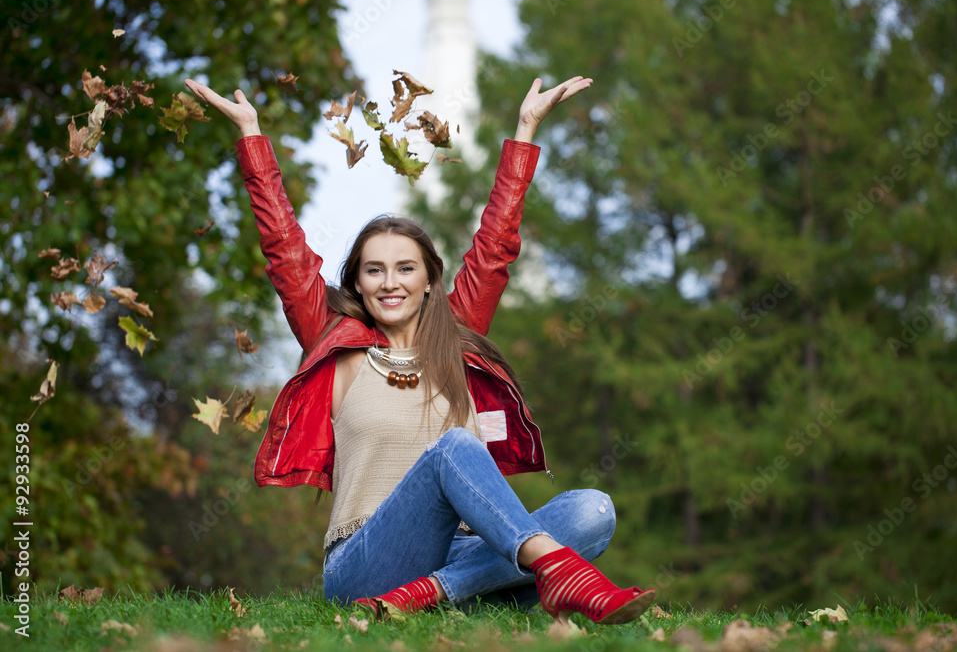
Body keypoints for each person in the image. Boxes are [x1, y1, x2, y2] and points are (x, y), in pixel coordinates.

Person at [184, 74, 656, 624]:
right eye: (374, 270)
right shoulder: (335, 343)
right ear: (356, 283)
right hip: (364, 560)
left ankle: (435, 593)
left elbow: (494, 247)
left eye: (406, 268)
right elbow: (284, 253)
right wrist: (251, 135)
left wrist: (526, 130)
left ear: (430, 278)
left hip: (463, 547)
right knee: (453, 447)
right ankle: (550, 576)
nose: (391, 282)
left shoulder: (454, 341)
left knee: (593, 511)